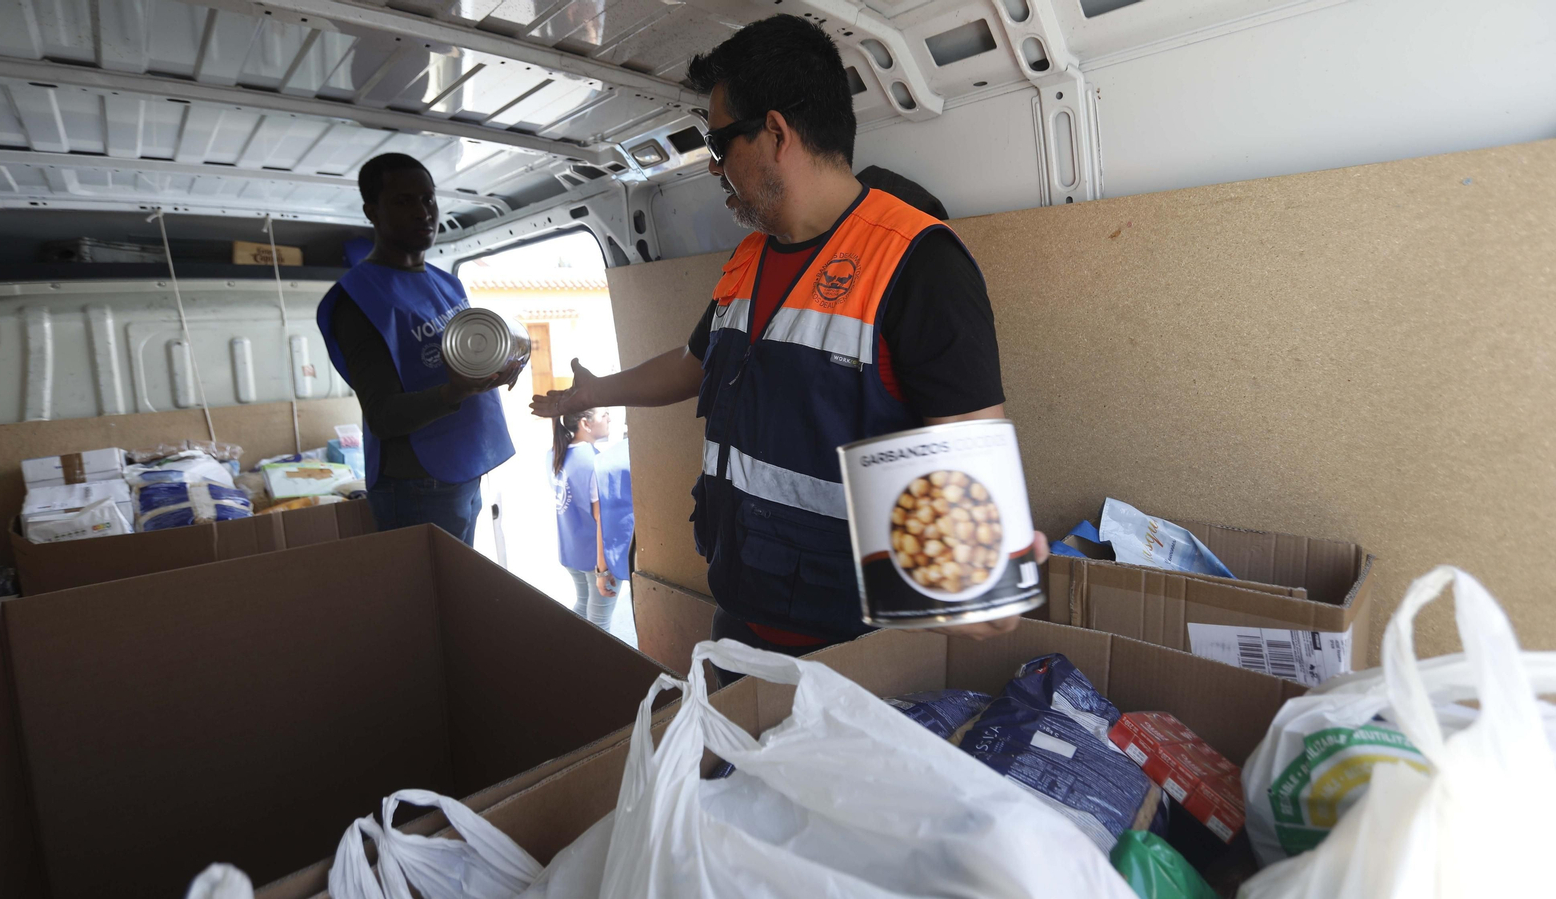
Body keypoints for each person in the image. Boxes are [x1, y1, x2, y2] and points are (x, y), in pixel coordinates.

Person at [532, 15, 1046, 675]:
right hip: (740, 612)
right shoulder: (748, 259)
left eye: (719, 141)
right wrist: (596, 390)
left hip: (854, 652)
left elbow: (970, 461)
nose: (713, 165)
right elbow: (696, 362)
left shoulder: (919, 264)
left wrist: (981, 584)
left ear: (775, 133)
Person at [316, 154, 517, 543]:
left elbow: (460, 364)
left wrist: (500, 364)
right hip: (417, 484)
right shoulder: (359, 300)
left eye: (428, 199)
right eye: (404, 201)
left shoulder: (446, 282)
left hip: (463, 464)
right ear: (372, 211)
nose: (423, 212)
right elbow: (383, 416)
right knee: (436, 599)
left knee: (459, 587)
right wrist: (457, 390)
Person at [550, 407, 618, 628]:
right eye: (603, 414)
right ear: (585, 424)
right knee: (600, 624)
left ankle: (567, 653)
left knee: (582, 606)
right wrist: (603, 570)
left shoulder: (554, 454)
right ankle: (589, 661)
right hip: (595, 557)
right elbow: (603, 522)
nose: (609, 417)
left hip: (571, 550)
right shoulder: (596, 462)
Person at [595, 431, 634, 585]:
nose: (609, 418)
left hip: (630, 557)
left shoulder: (606, 460)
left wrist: (602, 569)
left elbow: (604, 517)